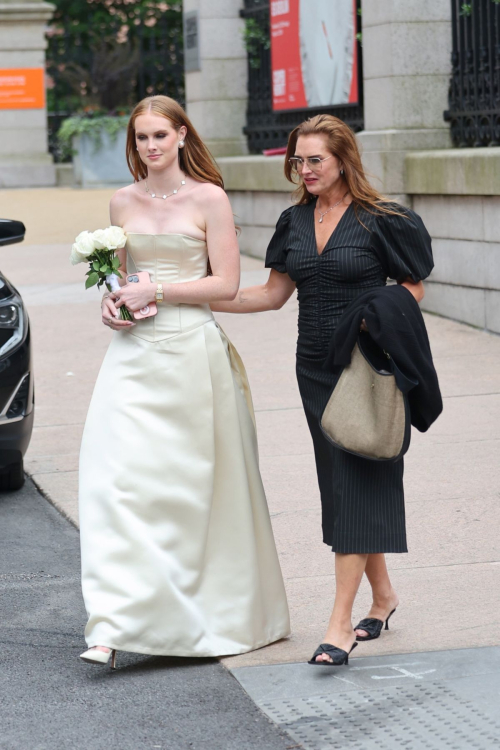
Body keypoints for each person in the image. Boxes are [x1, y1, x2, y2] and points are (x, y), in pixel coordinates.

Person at [211, 114, 434, 666]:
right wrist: (191, 299)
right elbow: (269, 294)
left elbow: (414, 286)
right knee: (341, 484)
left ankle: (339, 625)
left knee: (359, 482)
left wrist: (374, 317)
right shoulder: (293, 221)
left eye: (315, 160)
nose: (305, 169)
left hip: (366, 369)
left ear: (342, 160)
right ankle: (382, 598)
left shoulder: (382, 220)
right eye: (298, 160)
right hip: (313, 369)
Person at [78, 95, 290, 668]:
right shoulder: (122, 201)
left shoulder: (209, 199)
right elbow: (124, 282)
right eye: (141, 137)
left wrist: (162, 292)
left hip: (192, 351)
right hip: (133, 354)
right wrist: (114, 306)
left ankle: (206, 617)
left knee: (191, 491)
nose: (150, 147)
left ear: (181, 137)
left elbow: (225, 284)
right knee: (115, 482)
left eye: (159, 136)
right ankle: (113, 621)